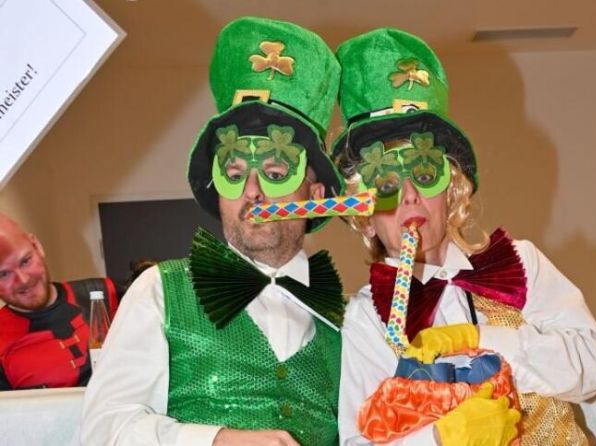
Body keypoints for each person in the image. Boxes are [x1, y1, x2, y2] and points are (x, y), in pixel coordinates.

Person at [331, 28, 596, 445]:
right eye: (386, 184)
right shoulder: (367, 317)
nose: (409, 196)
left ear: (451, 192)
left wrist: (485, 341)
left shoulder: (520, 264)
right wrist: (441, 439)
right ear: (367, 218)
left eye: (424, 173)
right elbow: (359, 441)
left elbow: (595, 363)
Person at [81, 17, 346, 446]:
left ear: (315, 194)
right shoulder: (159, 292)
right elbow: (102, 431)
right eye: (234, 174)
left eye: (275, 171)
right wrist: (216, 440)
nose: (252, 192)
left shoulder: (347, 320)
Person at [0, 213, 120, 390]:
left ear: (37, 246)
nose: (23, 280)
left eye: (25, 261)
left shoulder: (106, 293)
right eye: (3, 274)